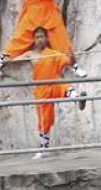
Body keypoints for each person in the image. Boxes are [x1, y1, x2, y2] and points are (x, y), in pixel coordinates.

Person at [15, 28, 84, 159]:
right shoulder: (30, 54)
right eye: (37, 37)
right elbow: (14, 59)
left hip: (53, 84)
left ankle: (77, 98)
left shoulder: (52, 53)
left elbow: (68, 61)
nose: (39, 39)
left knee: (63, 86)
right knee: (44, 120)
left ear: (47, 39)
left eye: (42, 36)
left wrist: (72, 59)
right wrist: (1, 63)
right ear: (34, 40)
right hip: (41, 91)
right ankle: (44, 149)